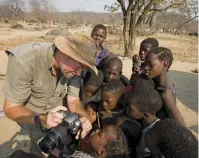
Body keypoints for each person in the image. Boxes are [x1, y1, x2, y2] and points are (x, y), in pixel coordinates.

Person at [3, 34, 100, 156]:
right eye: (80, 66)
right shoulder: (25, 60)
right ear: (65, 53)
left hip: (55, 123)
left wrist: (83, 116)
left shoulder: (74, 69)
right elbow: (10, 108)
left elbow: (73, 99)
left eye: (84, 69)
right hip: (27, 121)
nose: (79, 73)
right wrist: (41, 118)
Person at [143, 47, 186, 126]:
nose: (146, 68)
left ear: (165, 64)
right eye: (145, 63)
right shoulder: (157, 78)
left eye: (150, 65)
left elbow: (182, 125)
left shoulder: (166, 93)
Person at [126, 76, 163, 158]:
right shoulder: (145, 123)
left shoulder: (153, 134)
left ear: (145, 115)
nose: (127, 109)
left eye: (130, 109)